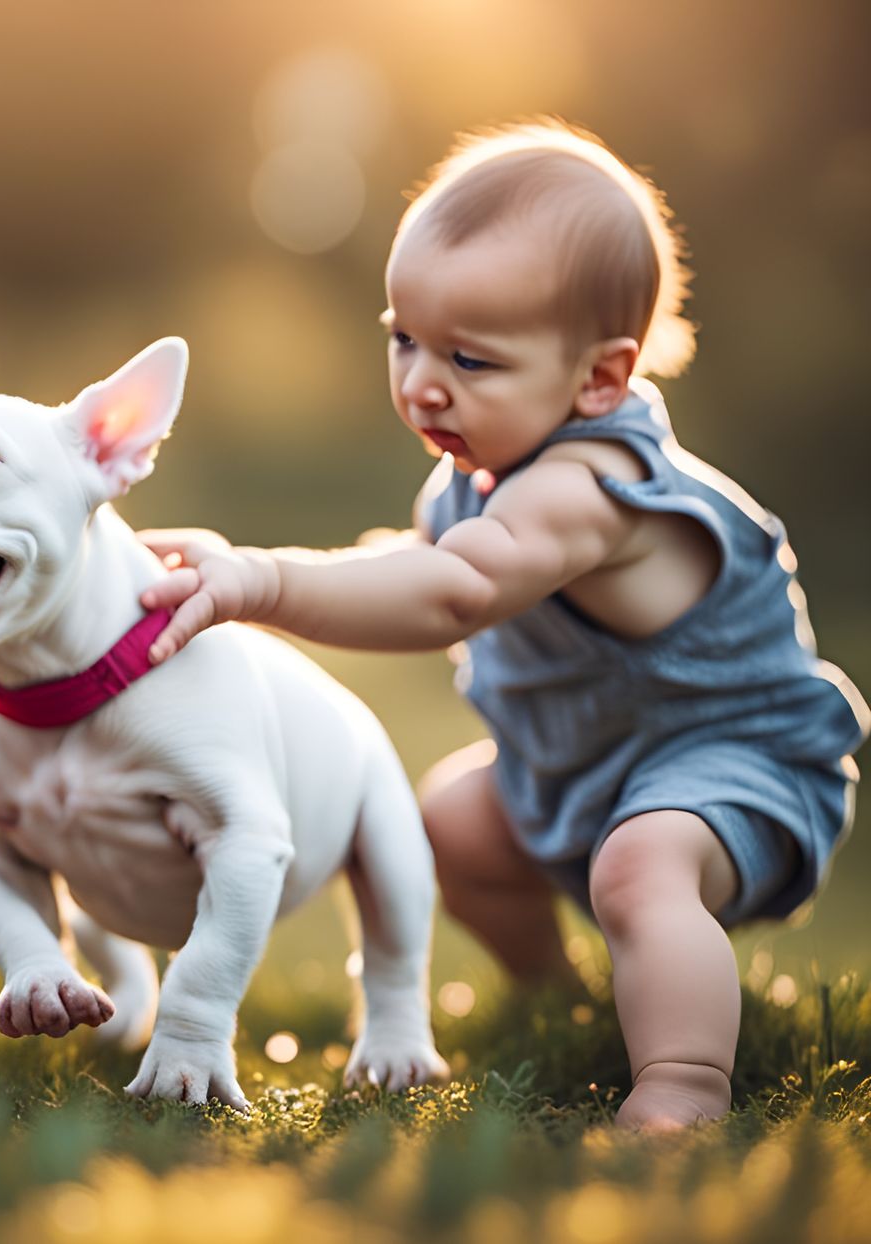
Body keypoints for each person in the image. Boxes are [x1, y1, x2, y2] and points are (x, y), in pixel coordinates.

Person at [138, 120, 867, 1130]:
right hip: (580, 771)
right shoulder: (482, 470)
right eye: (403, 337)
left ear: (599, 379)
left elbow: (452, 591)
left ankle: (682, 1085)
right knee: (450, 821)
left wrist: (261, 582)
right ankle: (558, 998)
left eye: (470, 357)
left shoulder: (592, 482)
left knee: (640, 867)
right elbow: (410, 559)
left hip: (734, 760)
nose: (421, 381)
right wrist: (262, 564)